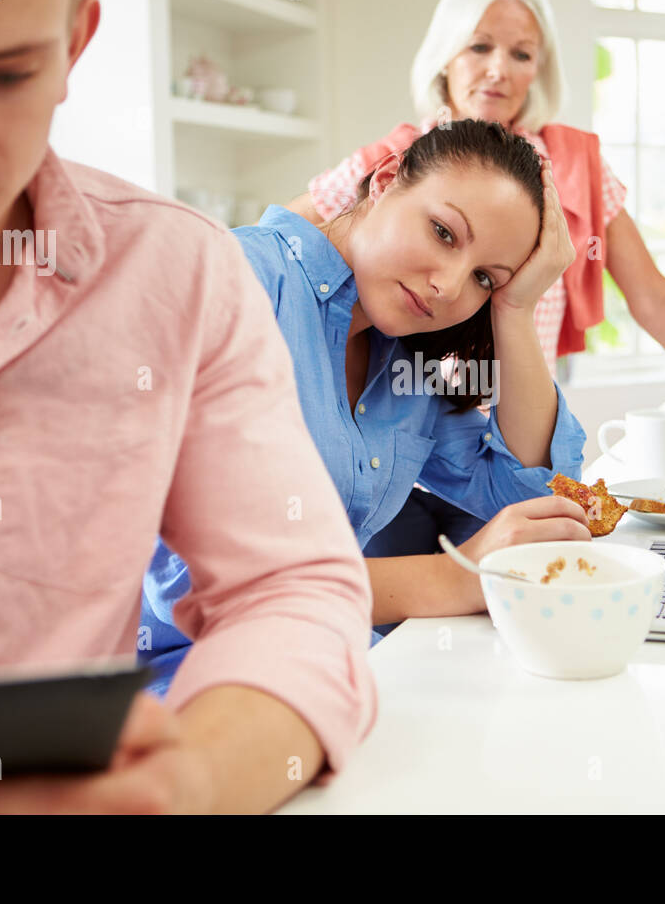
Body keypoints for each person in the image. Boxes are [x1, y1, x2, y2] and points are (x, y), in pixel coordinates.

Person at [0, 0, 375, 813]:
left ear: (74, 43)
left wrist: (197, 778)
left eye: (6, 73)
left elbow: (293, 589)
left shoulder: (178, 277)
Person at [288, 0, 665, 563]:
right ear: (446, 53)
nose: (499, 69)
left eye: (522, 54)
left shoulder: (572, 170)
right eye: (479, 46)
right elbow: (284, 250)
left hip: (502, 457)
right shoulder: (399, 161)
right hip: (388, 459)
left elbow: (652, 297)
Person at [141, 119, 594, 673]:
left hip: (330, 665)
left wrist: (516, 309)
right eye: (444, 233)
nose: (449, 286)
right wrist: (457, 577)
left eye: (484, 278)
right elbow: (206, 582)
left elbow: (524, 494)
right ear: (384, 180)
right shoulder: (239, 279)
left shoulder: (404, 361)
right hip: (176, 687)